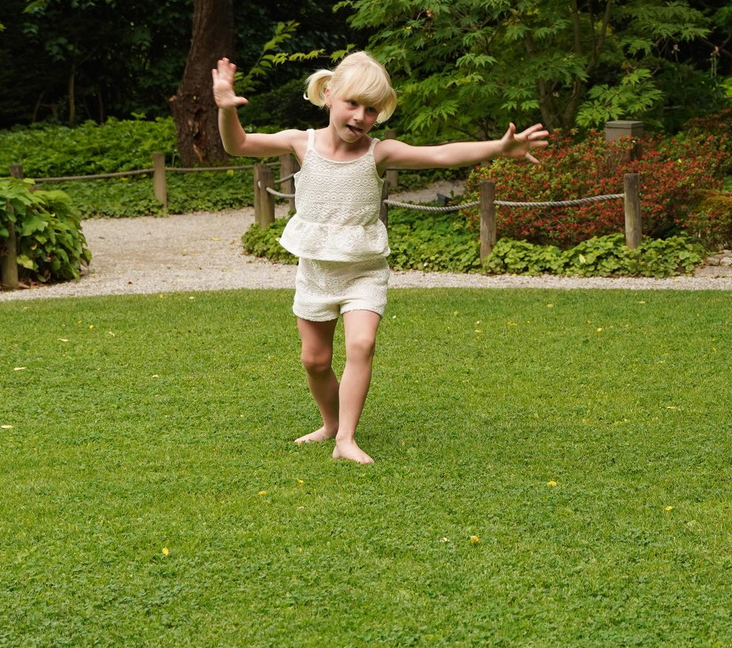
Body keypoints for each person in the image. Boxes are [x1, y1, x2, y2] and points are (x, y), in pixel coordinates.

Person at [211, 51, 548, 464]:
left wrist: (498, 147)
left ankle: (345, 441)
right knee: (314, 361)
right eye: (353, 104)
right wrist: (226, 107)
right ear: (329, 94)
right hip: (316, 271)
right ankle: (330, 425)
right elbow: (238, 144)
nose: (360, 116)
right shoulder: (303, 142)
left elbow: (441, 154)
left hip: (363, 270)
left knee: (362, 343)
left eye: (371, 110)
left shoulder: (379, 152)